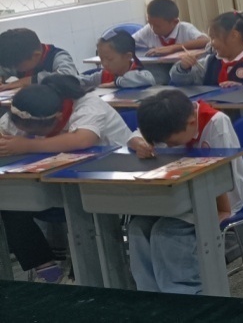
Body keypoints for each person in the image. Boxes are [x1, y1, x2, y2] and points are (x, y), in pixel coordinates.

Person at [0, 75, 140, 283]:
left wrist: (27, 145)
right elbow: (5, 130)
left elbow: (83, 139)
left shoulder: (88, 105)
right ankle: (45, 267)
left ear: (57, 118)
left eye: (34, 132)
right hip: (52, 186)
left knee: (81, 212)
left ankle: (85, 278)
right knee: (8, 203)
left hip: (105, 185)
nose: (26, 134)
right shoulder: (27, 109)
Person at [129, 90, 243, 294]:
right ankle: (151, 296)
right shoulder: (171, 118)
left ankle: (184, 294)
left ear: (192, 122)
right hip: (179, 194)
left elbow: (225, 173)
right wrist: (140, 144)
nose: (168, 146)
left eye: (172, 143)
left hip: (219, 195)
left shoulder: (216, 123)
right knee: (137, 228)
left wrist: (222, 210)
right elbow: (135, 135)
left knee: (165, 232)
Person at [170, 12, 243, 87]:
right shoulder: (209, 62)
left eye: (214, 38)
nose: (211, 43)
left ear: (234, 35)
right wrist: (183, 68)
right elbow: (181, 81)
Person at [0, 28, 78, 91]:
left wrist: (24, 81)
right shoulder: (20, 58)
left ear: (35, 55)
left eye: (17, 66)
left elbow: (68, 76)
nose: (14, 68)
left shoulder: (58, 56)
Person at [134, 0, 210, 56]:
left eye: (157, 26)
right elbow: (130, 41)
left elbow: (206, 40)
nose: (153, 29)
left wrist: (173, 48)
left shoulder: (185, 28)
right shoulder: (149, 29)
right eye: (150, 23)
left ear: (175, 22)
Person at [81, 30, 154, 89]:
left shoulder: (139, 72)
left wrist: (116, 83)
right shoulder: (104, 75)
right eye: (101, 59)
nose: (104, 64)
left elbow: (149, 79)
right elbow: (84, 80)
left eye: (109, 59)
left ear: (128, 56)